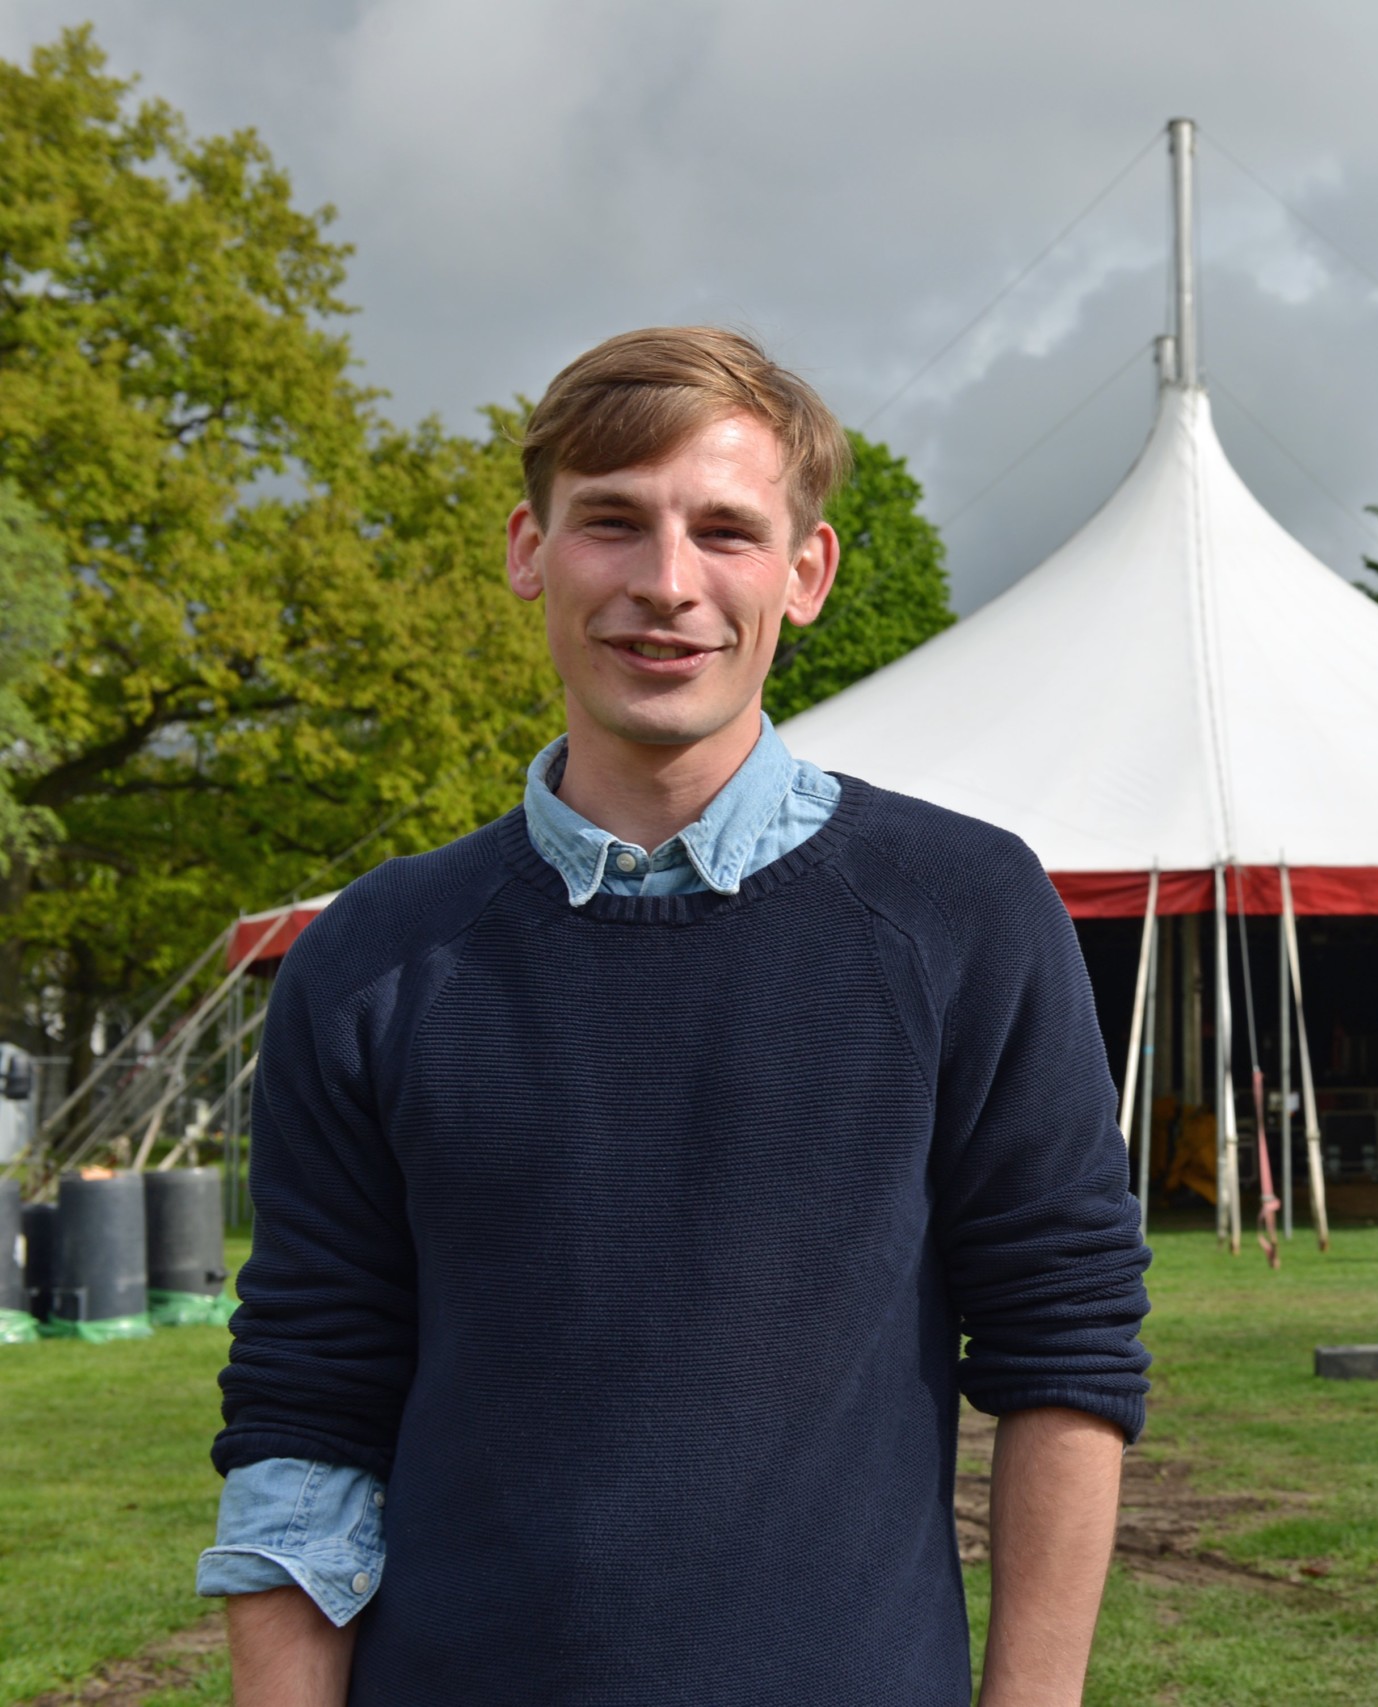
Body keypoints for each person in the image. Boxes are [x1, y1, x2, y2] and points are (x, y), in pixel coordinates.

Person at [197, 327, 1151, 1706]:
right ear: (532, 550)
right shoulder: (377, 956)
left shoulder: (962, 912)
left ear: (804, 574)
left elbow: (1063, 1350)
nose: (667, 585)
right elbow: (306, 1400)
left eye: (725, 530)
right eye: (612, 524)